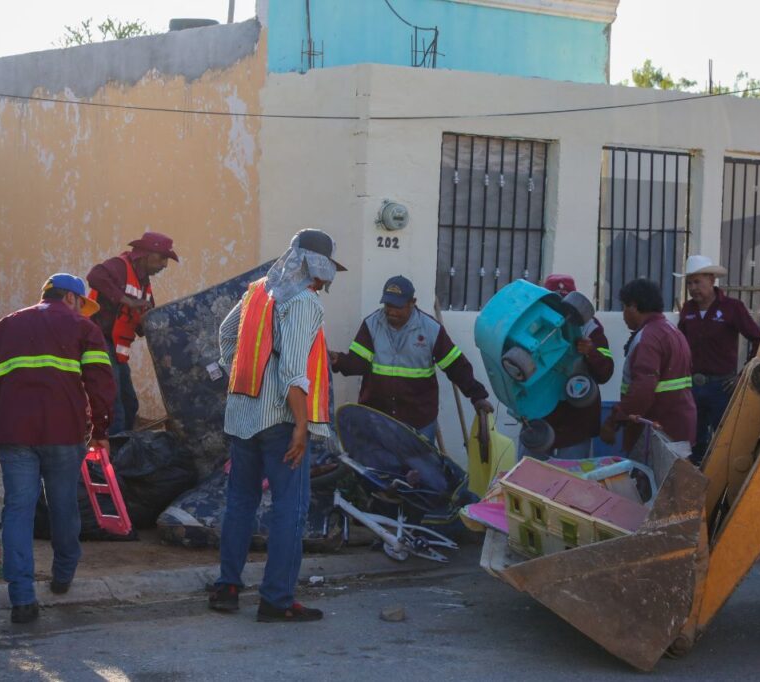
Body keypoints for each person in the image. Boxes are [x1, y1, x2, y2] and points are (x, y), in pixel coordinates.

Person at [208, 228, 345, 622]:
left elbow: (226, 334)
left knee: (240, 502)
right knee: (291, 508)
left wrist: (246, 376)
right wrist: (302, 426)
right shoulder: (303, 302)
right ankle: (277, 600)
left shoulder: (257, 290)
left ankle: (228, 587)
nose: (325, 282)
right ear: (317, 267)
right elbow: (292, 371)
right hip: (282, 419)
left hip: (244, 413)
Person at [0, 273, 115, 624]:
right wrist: (100, 429)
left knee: (18, 509)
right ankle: (63, 576)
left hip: (13, 433)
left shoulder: (2, 327)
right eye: (83, 304)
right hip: (63, 433)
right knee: (63, 504)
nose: (83, 310)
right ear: (71, 298)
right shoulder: (84, 329)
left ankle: (21, 598)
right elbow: (101, 382)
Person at [329, 275, 493, 443]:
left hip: (418, 421)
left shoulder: (431, 330)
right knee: (378, 469)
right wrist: (339, 361)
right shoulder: (371, 325)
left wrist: (477, 396)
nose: (391, 311)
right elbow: (358, 364)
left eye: (397, 306)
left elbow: (456, 367)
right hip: (378, 419)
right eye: (388, 305)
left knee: (417, 468)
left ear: (412, 302)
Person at [87, 232, 179, 434]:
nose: (164, 265)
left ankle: (126, 447)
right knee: (115, 403)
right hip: (98, 342)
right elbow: (94, 276)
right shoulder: (119, 266)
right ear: (147, 254)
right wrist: (129, 301)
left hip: (117, 350)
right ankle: (113, 454)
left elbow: (146, 320)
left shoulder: (144, 283)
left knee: (130, 404)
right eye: (163, 258)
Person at [675, 255, 760, 463]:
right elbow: (681, 344)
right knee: (694, 444)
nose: (693, 287)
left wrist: (743, 375)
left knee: (725, 442)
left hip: (722, 387)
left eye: (697, 282)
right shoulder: (687, 309)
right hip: (692, 386)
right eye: (689, 283)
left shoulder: (733, 307)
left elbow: (758, 339)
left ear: (712, 280)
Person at [600, 278, 696, 455]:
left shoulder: (648, 338)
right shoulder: (671, 330)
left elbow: (643, 388)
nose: (623, 315)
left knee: (649, 481)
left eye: (624, 307)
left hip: (656, 433)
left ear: (634, 306)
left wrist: (613, 421)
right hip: (677, 427)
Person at [532, 274, 614, 458]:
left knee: (572, 477)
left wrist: (591, 352)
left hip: (576, 420)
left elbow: (606, 372)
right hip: (540, 416)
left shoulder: (591, 328)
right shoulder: (532, 324)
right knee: (526, 477)